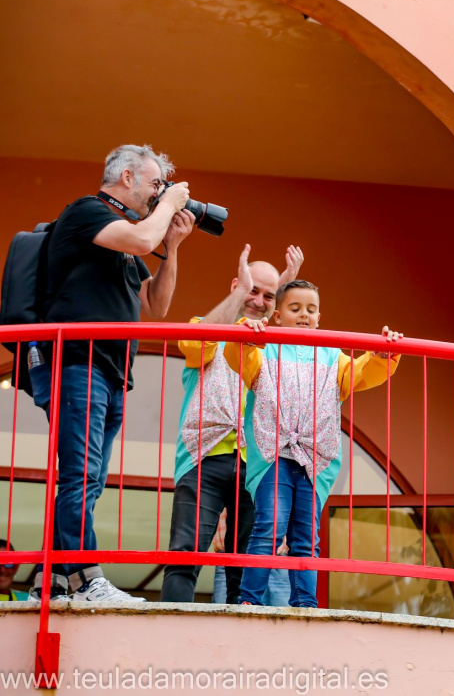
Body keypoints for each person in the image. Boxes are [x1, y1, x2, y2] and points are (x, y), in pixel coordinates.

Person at [31, 144, 194, 603]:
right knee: (81, 476)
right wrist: (168, 206)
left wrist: (172, 246)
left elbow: (156, 304)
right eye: (154, 183)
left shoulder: (126, 238)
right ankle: (86, 578)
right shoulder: (88, 212)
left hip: (111, 372)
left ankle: (51, 580)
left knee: (90, 480)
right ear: (126, 177)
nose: (158, 193)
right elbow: (141, 240)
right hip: (78, 363)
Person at [225, 280, 401, 607]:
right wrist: (246, 333)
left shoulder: (333, 356)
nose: (304, 315)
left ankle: (305, 603)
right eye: (295, 309)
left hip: (314, 460)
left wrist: (381, 354)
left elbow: (362, 372)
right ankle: (249, 600)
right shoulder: (265, 349)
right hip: (273, 455)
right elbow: (239, 356)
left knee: (306, 536)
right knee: (270, 526)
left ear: (320, 317)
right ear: (277, 316)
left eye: (311, 309)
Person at [161, 244, 303, 604]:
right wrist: (242, 292)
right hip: (203, 457)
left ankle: (240, 634)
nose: (258, 300)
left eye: (268, 296)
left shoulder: (277, 345)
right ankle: (170, 631)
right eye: (252, 290)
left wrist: (285, 296)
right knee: (185, 556)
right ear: (235, 285)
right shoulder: (209, 327)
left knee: (248, 565)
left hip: (257, 463)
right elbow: (196, 341)